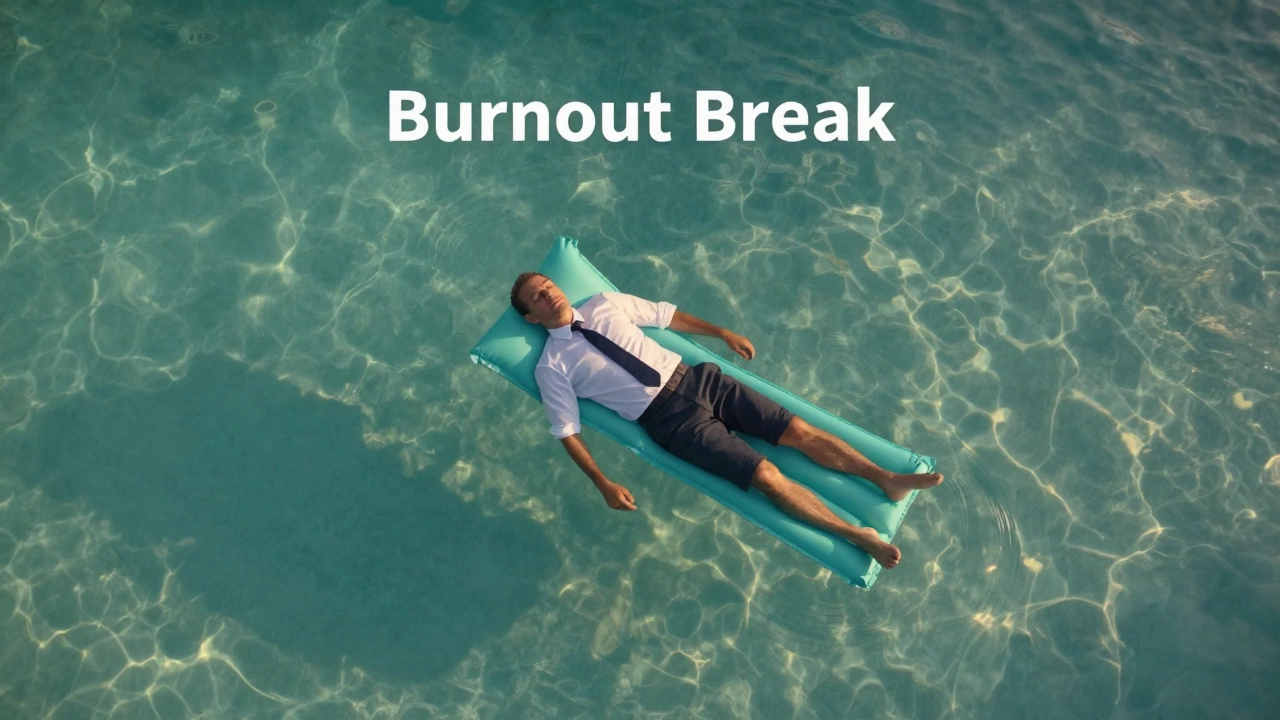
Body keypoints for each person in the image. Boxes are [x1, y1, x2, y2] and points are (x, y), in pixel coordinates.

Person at [510, 272, 943, 569]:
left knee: (799, 432)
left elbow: (663, 315)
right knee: (766, 476)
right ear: (531, 317)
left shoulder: (605, 303)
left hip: (700, 380)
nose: (548, 294)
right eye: (537, 297)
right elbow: (567, 431)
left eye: (548, 285)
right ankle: (857, 534)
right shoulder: (552, 365)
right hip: (670, 422)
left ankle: (887, 479)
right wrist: (601, 482)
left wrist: (721, 332)